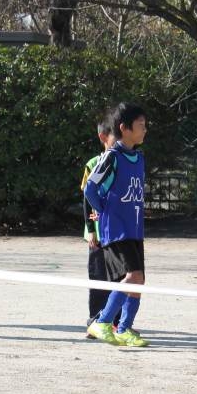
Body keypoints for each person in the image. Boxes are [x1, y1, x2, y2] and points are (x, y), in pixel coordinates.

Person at [85, 102, 149, 348]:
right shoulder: (112, 157)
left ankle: (124, 329)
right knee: (133, 276)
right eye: (140, 125)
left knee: (138, 280)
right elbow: (90, 188)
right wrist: (103, 211)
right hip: (117, 230)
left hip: (135, 230)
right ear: (124, 128)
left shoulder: (139, 158)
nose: (144, 129)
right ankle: (102, 321)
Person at [82, 117, 118, 335]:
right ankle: (94, 321)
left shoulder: (122, 161)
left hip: (117, 232)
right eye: (115, 135)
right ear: (103, 137)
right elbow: (87, 199)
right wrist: (91, 230)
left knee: (119, 278)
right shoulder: (94, 163)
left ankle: (116, 322)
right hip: (97, 233)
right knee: (98, 278)